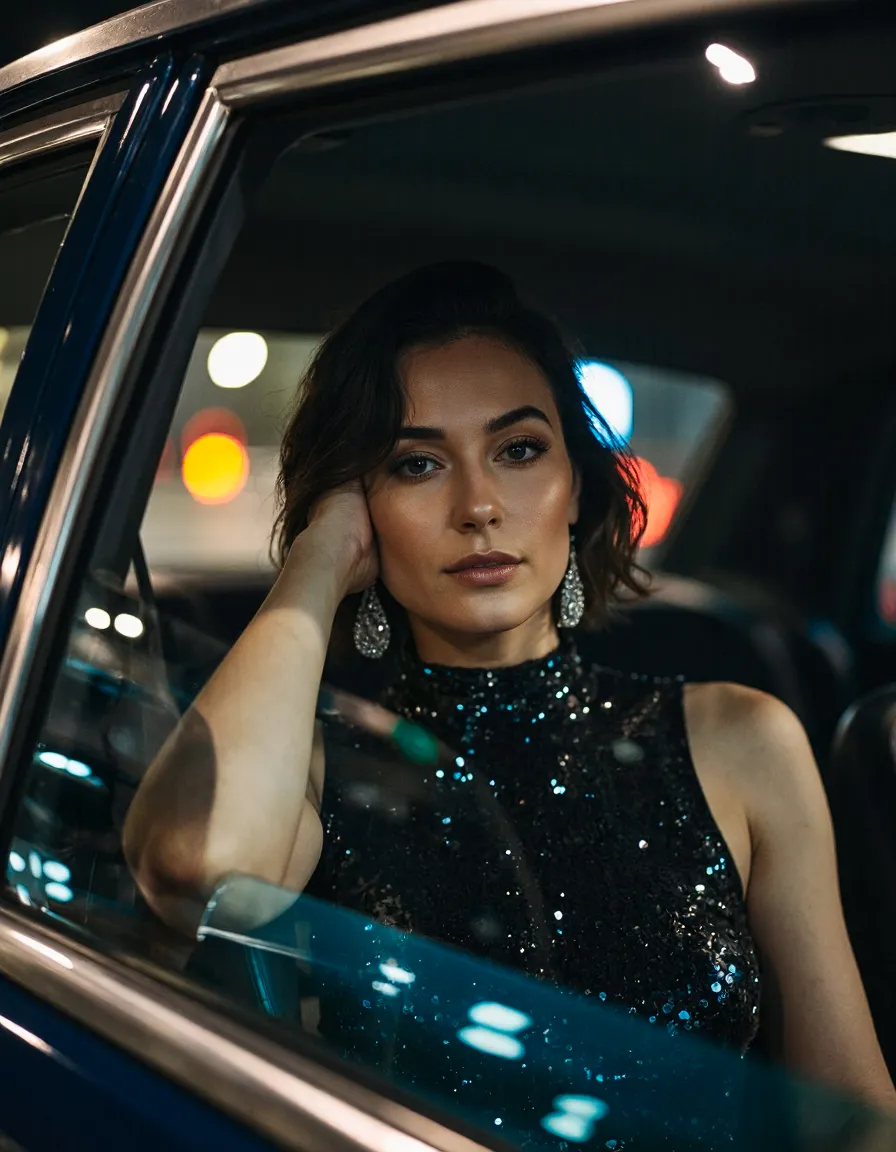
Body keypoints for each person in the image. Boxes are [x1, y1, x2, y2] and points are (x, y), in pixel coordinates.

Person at [124, 262, 894, 1108]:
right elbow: (195, 862)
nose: (479, 504)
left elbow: (853, 1114)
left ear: (574, 488)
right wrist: (315, 561)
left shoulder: (738, 738)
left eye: (519, 450)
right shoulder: (313, 762)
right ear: (358, 507)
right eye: (415, 465)